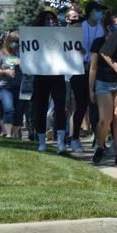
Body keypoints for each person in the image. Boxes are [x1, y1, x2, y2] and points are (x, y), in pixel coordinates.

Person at [90, 11, 117, 165]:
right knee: (105, 120)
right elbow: (93, 67)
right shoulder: (98, 43)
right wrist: (90, 89)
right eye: (115, 25)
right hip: (103, 83)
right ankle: (100, 146)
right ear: (107, 26)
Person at [69, 0, 105, 152]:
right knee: (81, 104)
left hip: (96, 70)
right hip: (79, 69)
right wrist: (83, 51)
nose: (101, 14)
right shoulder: (78, 27)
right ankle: (75, 138)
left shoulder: (102, 28)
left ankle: (98, 139)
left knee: (95, 106)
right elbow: (71, 46)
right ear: (91, 12)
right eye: (98, 11)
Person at [31, 9, 69, 153]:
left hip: (57, 76)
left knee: (60, 107)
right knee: (40, 108)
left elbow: (71, 50)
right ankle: (41, 142)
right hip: (40, 76)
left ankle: (60, 142)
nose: (51, 22)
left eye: (53, 19)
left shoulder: (62, 34)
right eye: (47, 19)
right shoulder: (34, 35)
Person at [0, 31, 24, 139]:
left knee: (18, 111)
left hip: (20, 86)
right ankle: (8, 133)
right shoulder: (2, 54)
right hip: (5, 86)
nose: (15, 43)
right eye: (13, 41)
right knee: (9, 108)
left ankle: (15, 134)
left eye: (17, 41)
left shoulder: (23, 53)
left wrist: (22, 64)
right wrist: (5, 71)